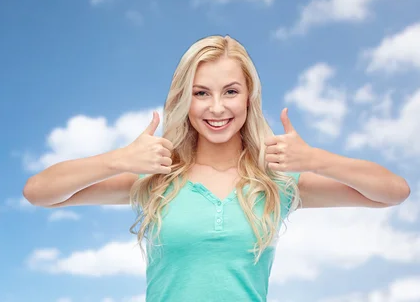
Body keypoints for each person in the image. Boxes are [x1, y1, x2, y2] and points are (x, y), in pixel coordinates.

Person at [22, 35, 411, 302]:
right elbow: (39, 193)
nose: (217, 108)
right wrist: (116, 160)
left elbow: (393, 193)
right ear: (184, 100)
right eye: (201, 93)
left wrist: (318, 161)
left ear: (249, 97)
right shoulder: (156, 178)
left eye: (230, 91)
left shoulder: (277, 183)